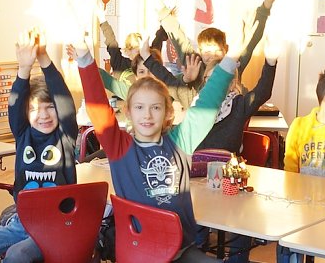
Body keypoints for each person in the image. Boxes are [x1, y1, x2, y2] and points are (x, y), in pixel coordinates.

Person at [73, 29, 239, 262]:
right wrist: (83, 56)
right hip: (139, 250)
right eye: (140, 107)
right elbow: (97, 105)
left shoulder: (180, 141)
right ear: (128, 112)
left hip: (179, 251)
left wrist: (231, 61)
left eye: (156, 107)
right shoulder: (120, 147)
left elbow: (207, 105)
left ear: (168, 112)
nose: (147, 115)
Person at [0, 29, 78, 263]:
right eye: (34, 109)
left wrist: (43, 58)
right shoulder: (23, 133)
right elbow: (15, 104)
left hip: (57, 227)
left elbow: (63, 99)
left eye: (49, 107)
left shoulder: (65, 135)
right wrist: (23, 69)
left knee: (17, 256)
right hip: (22, 223)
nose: (43, 115)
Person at [153, 0, 279, 91]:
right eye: (207, 51)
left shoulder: (234, 64)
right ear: (200, 53)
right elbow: (177, 34)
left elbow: (252, 40)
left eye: (217, 51)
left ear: (226, 50)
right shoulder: (194, 64)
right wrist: (159, 6)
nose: (212, 55)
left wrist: (268, 3)